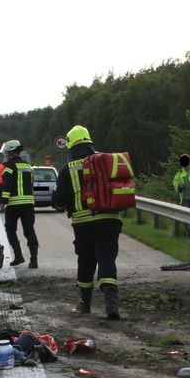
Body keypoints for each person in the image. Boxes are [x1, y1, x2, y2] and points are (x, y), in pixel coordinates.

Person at [51, 125, 124, 319]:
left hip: (83, 223)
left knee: (86, 260)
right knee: (107, 258)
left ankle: (85, 303)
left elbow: (58, 201)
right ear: (89, 142)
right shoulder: (106, 162)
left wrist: (63, 205)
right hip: (110, 219)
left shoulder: (68, 169)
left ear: (71, 145)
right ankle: (112, 304)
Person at [0, 139, 38, 268]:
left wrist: (3, 203)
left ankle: (18, 256)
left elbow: (7, 187)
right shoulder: (28, 166)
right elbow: (30, 184)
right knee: (29, 231)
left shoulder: (9, 167)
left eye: (7, 153)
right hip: (28, 204)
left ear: (10, 153)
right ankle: (34, 260)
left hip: (14, 203)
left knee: (10, 229)